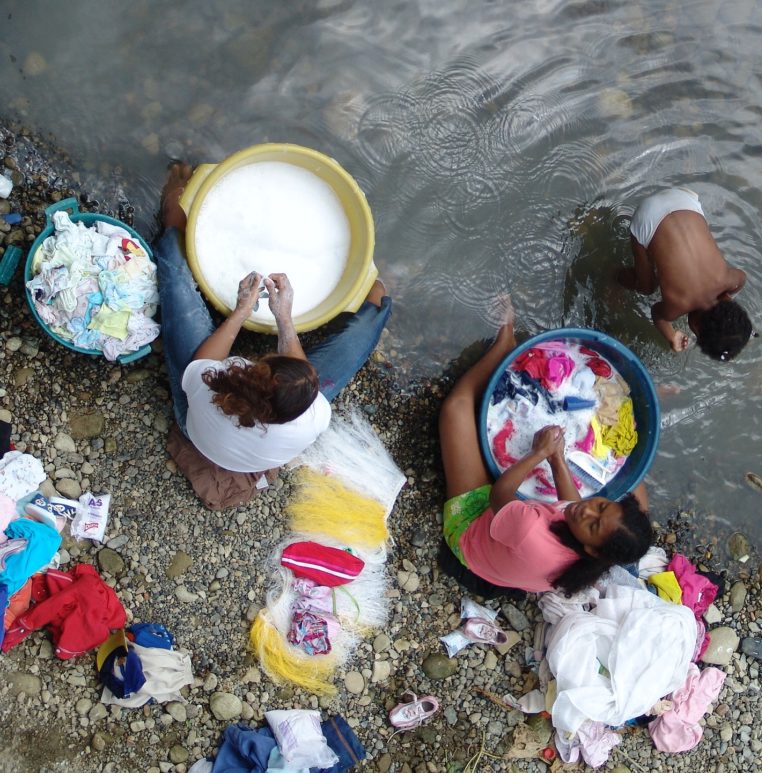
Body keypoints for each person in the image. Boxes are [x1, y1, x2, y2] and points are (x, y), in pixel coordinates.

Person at [154, 162, 392, 473]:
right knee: (372, 308)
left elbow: (203, 363)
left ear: (252, 369)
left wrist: (241, 311)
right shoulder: (310, 417)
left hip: (196, 428)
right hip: (250, 447)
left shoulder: (212, 389)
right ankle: (384, 280)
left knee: (173, 252)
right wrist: (284, 319)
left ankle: (176, 189)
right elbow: (302, 374)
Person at [437, 304, 653, 595]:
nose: (587, 510)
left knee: (456, 408)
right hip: (512, 541)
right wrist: (556, 458)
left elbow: (498, 495)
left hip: (472, 529)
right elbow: (571, 507)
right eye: (601, 505)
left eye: (593, 525)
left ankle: (504, 344)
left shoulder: (532, 532)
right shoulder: (590, 556)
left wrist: (537, 453)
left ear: (592, 549)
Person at [618, 187, 753, 359]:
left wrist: (727, 294)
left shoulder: (727, 280)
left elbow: (742, 277)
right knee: (647, 287)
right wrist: (671, 335)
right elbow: (657, 314)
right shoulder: (678, 305)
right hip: (646, 215)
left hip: (684, 200)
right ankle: (613, 275)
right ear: (696, 327)